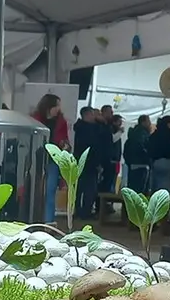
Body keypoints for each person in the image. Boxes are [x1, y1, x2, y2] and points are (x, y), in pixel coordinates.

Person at [31, 93, 70, 224]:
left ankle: (48, 223)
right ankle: (35, 220)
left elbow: (65, 139)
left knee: (50, 192)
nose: (59, 108)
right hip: (36, 160)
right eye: (57, 105)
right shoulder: (35, 120)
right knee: (36, 192)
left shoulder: (61, 122)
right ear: (49, 106)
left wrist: (65, 146)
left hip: (53, 160)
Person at [73, 106, 111, 218]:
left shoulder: (80, 127)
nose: (96, 116)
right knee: (89, 189)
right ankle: (84, 212)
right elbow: (99, 144)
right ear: (87, 115)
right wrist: (104, 124)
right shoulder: (90, 129)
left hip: (82, 162)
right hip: (89, 163)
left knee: (81, 189)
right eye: (93, 114)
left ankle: (80, 211)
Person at [147, 115, 170, 192]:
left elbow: (149, 148)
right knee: (166, 186)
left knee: (156, 184)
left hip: (156, 162)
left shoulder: (155, 134)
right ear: (168, 124)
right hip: (168, 162)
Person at [123, 115, 151, 192]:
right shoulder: (142, 134)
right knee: (141, 190)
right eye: (148, 121)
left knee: (132, 188)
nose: (150, 123)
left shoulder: (132, 134)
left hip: (132, 164)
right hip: (141, 164)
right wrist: (148, 159)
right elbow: (144, 148)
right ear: (143, 122)